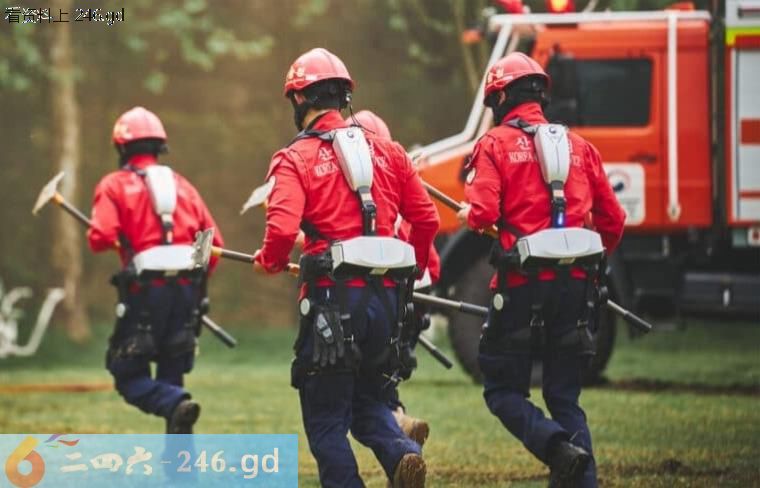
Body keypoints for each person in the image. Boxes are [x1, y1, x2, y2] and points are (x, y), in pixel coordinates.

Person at [253, 48, 439, 487]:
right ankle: (402, 454)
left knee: (325, 419)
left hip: (332, 306)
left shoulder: (293, 157)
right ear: (344, 97)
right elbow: (427, 220)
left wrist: (270, 261)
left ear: (300, 99)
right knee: (366, 399)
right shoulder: (390, 152)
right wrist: (408, 274)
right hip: (388, 306)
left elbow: (281, 231)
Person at [457, 53, 625, 488]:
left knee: (502, 391)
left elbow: (482, 215)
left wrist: (470, 214)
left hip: (521, 289)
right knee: (564, 397)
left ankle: (556, 449)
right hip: (577, 290)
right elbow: (614, 220)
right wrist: (590, 265)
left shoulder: (493, 144)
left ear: (501, 98)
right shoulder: (581, 147)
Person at [88, 106, 224, 434]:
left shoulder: (113, 185)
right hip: (186, 295)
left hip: (144, 294)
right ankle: (180, 459)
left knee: (126, 372)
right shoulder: (183, 186)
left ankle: (174, 403)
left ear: (121, 147)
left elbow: (99, 238)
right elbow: (213, 245)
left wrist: (123, 238)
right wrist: (192, 285)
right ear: (159, 146)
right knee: (171, 376)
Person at [349, 110, 440, 446]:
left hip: (383, 300)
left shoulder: (363, 202)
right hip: (409, 304)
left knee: (361, 390)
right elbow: (432, 264)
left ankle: (398, 427)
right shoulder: (399, 191)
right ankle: (399, 419)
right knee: (383, 380)